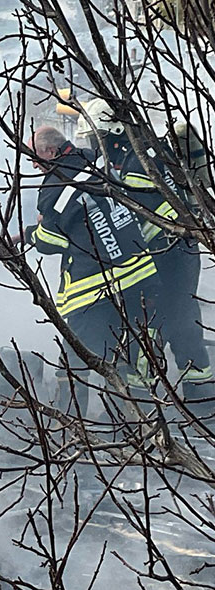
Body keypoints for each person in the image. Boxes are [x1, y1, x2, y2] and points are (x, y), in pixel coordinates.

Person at [75, 98, 212, 400]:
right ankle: (202, 401)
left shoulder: (138, 168)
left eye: (95, 139)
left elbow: (138, 221)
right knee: (183, 321)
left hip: (166, 259)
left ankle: (138, 406)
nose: (96, 148)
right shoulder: (153, 153)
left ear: (110, 135)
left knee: (148, 326)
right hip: (184, 254)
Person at [27, 125, 158, 413]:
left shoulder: (54, 187)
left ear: (50, 152)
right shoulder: (95, 160)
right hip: (140, 272)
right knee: (133, 355)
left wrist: (31, 232)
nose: (33, 164)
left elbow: (50, 242)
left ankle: (76, 427)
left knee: (75, 361)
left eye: (33, 157)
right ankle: (142, 422)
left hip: (95, 288)